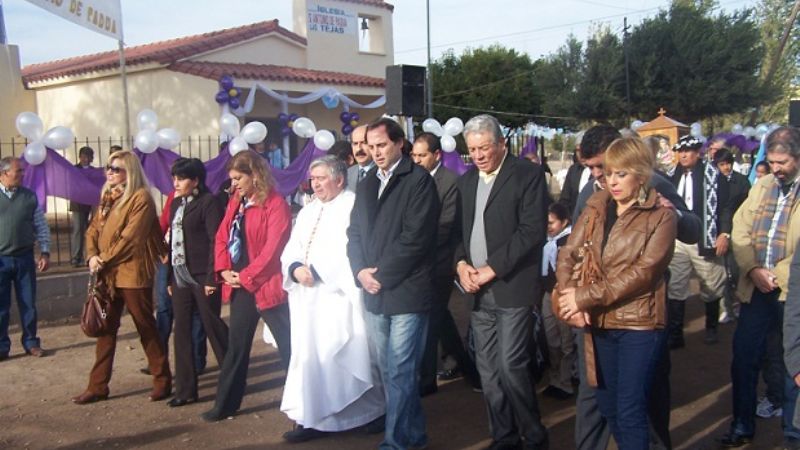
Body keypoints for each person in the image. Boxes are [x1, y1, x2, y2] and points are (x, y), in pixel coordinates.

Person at [568, 125, 700, 450]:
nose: (600, 176)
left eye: (606, 167)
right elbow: (573, 248)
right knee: (598, 398)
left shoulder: (655, 186)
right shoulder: (593, 193)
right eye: (593, 169)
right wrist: (572, 297)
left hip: (641, 314)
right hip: (595, 317)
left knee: (643, 401)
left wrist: (676, 215)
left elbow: (693, 229)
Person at [454, 114, 549, 450]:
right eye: (472, 149)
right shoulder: (465, 183)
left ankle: (533, 435)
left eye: (484, 148)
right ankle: (504, 436)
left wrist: (492, 268)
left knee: (512, 366)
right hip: (477, 292)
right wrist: (461, 264)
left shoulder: (528, 175)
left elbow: (532, 231)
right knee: (489, 372)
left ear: (501, 144)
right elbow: (456, 235)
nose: (478, 155)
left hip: (512, 287)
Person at [346, 117, 439, 450]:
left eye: (381, 145)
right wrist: (360, 272)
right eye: (370, 147)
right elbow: (354, 232)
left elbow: (415, 240)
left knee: (400, 371)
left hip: (408, 293)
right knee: (389, 373)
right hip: (374, 292)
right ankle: (415, 436)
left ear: (401, 143)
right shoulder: (367, 182)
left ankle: (395, 443)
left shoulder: (419, 181)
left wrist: (379, 276)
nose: (375, 152)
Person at [279, 156, 384, 443]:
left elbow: (355, 248)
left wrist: (318, 270)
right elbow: (293, 246)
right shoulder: (309, 210)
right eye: (313, 179)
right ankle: (316, 417)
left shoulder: (352, 205)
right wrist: (294, 267)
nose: (315, 185)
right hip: (308, 299)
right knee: (313, 357)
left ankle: (369, 412)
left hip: (337, 296)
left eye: (321, 178)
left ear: (339, 179)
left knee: (346, 351)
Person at [72, 150, 171, 404]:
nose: (110, 172)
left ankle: (162, 379)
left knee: (145, 325)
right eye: (108, 167)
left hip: (132, 272)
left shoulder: (141, 198)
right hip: (107, 273)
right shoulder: (107, 196)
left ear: (131, 171)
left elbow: (131, 238)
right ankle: (97, 386)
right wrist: (92, 255)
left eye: (116, 168)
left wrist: (103, 258)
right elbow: (93, 228)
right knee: (105, 328)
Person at [723, 126, 800, 448]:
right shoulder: (763, 186)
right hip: (756, 289)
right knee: (743, 358)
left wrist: (776, 275)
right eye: (772, 161)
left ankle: (792, 434)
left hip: (791, 293)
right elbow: (740, 230)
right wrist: (753, 269)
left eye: (783, 162)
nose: (776, 167)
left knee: (789, 364)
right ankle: (742, 425)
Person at [204, 150, 292, 422]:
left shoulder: (276, 204)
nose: (234, 183)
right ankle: (225, 404)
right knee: (237, 346)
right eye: (232, 178)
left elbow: (273, 248)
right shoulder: (236, 202)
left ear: (255, 175)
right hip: (241, 285)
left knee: (289, 346)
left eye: (239, 177)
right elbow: (222, 236)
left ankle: (303, 402)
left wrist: (246, 276)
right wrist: (223, 270)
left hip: (267, 285)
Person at [411, 132, 480, 395]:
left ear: (436, 155)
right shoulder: (411, 179)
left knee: (431, 318)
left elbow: (446, 225)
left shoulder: (451, 182)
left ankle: (427, 381)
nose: (416, 160)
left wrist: (415, 247)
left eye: (422, 155)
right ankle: (467, 367)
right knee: (440, 319)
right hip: (418, 261)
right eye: (414, 155)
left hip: (440, 261)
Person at [166, 158, 228, 407]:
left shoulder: (209, 203)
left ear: (196, 181)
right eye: (174, 178)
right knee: (181, 330)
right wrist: (171, 277)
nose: (176, 183)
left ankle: (233, 373)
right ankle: (185, 389)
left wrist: (214, 276)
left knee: (212, 325)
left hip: (203, 275)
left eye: (181, 179)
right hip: (181, 274)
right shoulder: (176, 204)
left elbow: (216, 240)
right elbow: (174, 243)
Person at [667, 135, 732, 346]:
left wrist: (724, 233)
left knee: (711, 283)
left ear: (698, 153)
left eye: (688, 151)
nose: (684, 155)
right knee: (675, 284)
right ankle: (676, 334)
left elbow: (725, 207)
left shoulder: (713, 175)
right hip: (678, 238)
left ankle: (711, 327)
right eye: (681, 151)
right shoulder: (671, 175)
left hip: (704, 237)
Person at [0, 157, 50, 361]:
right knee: (1, 306)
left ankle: (31, 342)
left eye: (22, 170)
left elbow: (40, 226)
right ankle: (2, 346)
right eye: (17, 171)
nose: (22, 174)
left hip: (24, 258)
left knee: (28, 303)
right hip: (1, 260)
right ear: (3, 174)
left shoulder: (28, 196)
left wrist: (45, 251)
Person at [540, 202, 574, 400]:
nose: (548, 226)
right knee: (552, 337)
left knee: (566, 339)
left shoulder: (569, 242)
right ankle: (555, 378)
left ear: (564, 222)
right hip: (547, 294)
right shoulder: (545, 241)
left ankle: (566, 381)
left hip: (563, 293)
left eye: (552, 223)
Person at [70, 146, 95, 267]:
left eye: (88, 157)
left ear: (92, 158)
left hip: (91, 203)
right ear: (79, 157)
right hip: (77, 204)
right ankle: (76, 257)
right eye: (83, 156)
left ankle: (88, 256)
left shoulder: (94, 171)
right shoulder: (74, 170)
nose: (85, 159)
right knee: (78, 230)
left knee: (90, 230)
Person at [346, 125, 375, 191]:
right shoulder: (348, 173)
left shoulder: (384, 172)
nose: (359, 149)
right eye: (355, 143)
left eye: (364, 143)